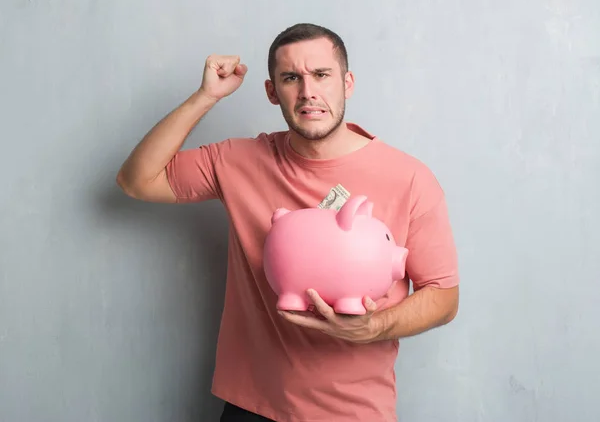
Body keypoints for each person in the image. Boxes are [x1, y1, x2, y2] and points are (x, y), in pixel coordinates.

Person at [116, 23, 460, 422]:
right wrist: (205, 97)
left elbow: (444, 297)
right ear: (271, 91)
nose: (308, 91)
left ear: (347, 83)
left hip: (352, 411)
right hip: (251, 405)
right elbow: (135, 180)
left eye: (321, 75)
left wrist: (374, 327)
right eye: (291, 78)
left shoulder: (410, 178)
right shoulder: (238, 161)